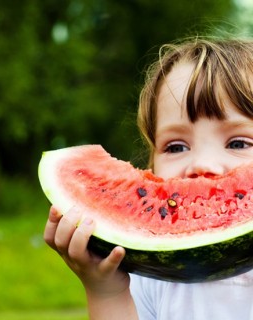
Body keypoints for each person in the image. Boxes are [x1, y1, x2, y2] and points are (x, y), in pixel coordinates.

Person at [43, 37, 253, 319]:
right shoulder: (153, 276)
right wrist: (106, 291)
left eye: (238, 143)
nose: (202, 165)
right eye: (176, 147)